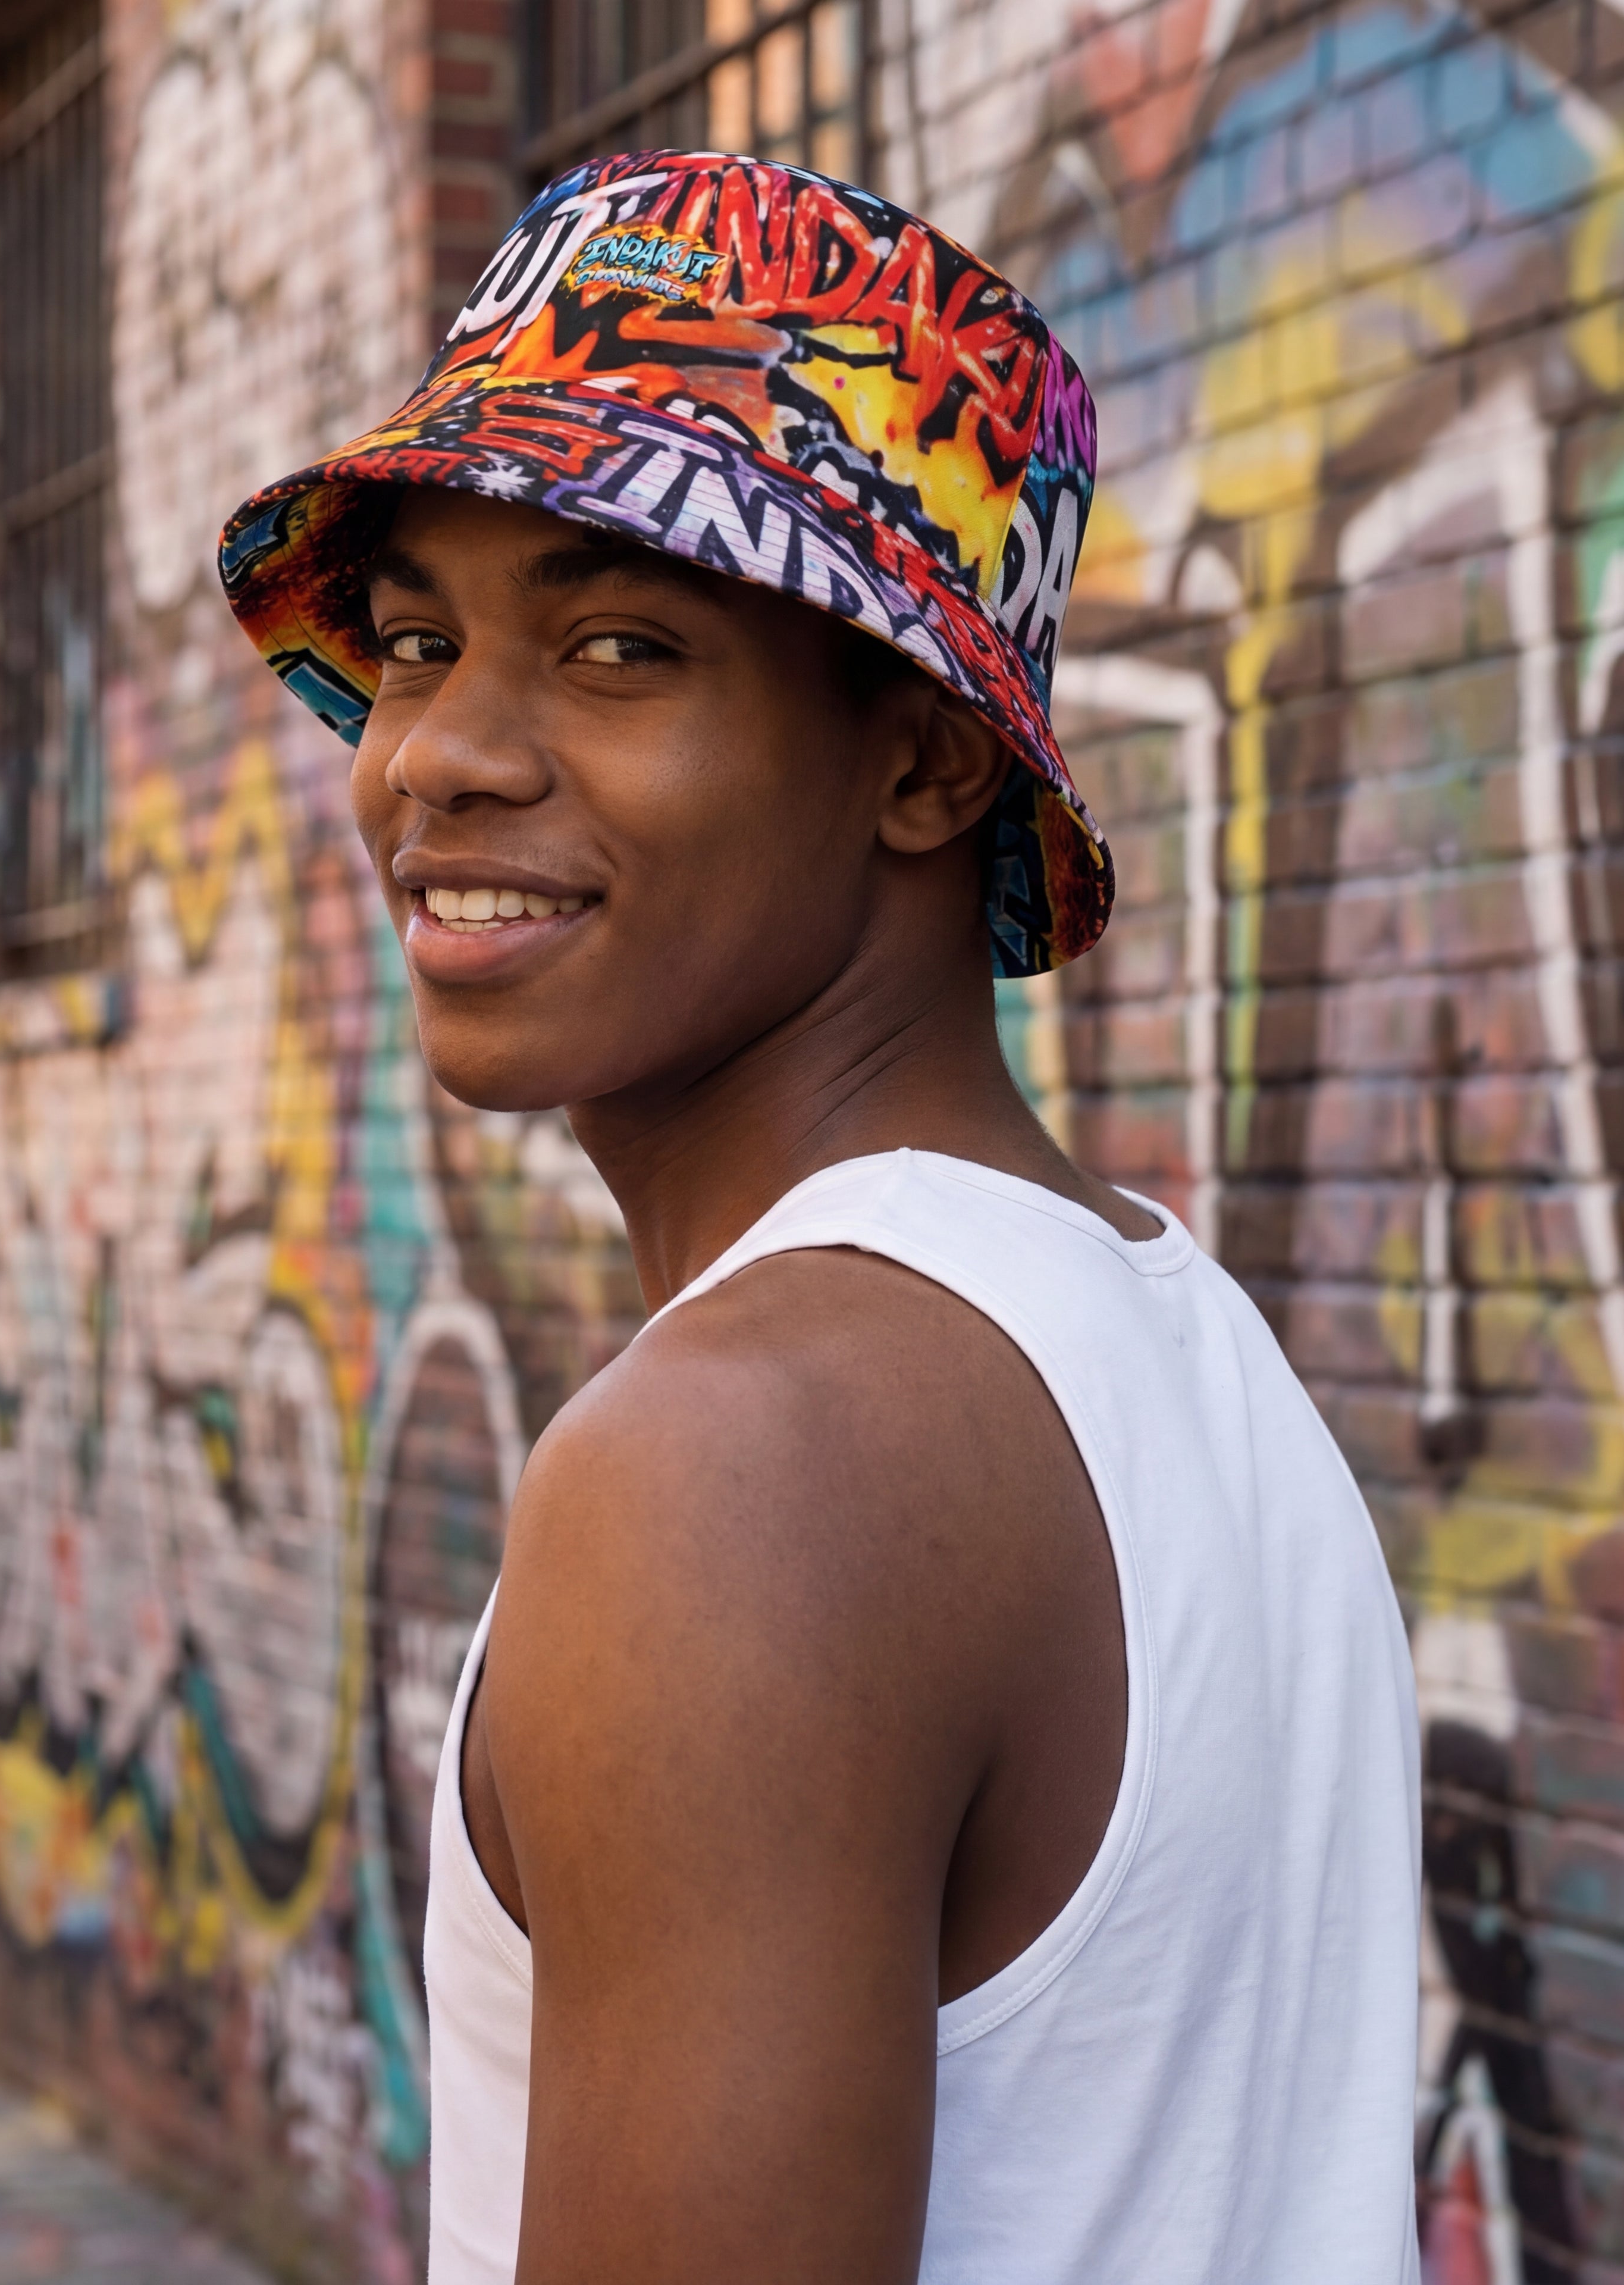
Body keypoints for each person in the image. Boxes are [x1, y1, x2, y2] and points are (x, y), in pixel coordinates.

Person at [222, 150, 1421, 2285]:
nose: (441, 758)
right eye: (416, 642)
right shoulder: (1182, 1347)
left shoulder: (740, 1464)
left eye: (616, 645)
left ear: (927, 766)